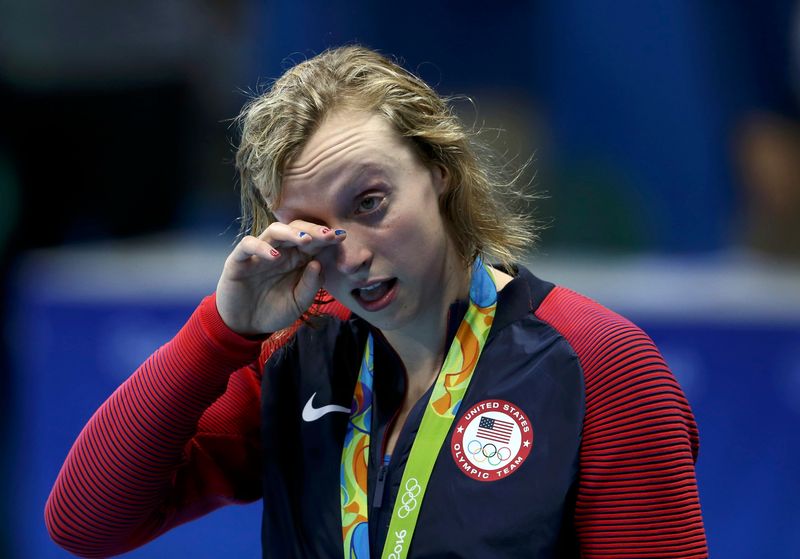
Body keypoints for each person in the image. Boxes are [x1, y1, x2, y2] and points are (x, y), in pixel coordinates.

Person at [45, 46, 708, 558]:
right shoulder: (293, 359)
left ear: (439, 174)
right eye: (314, 229)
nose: (352, 254)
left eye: (370, 203)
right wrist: (220, 331)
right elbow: (84, 522)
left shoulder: (598, 364)